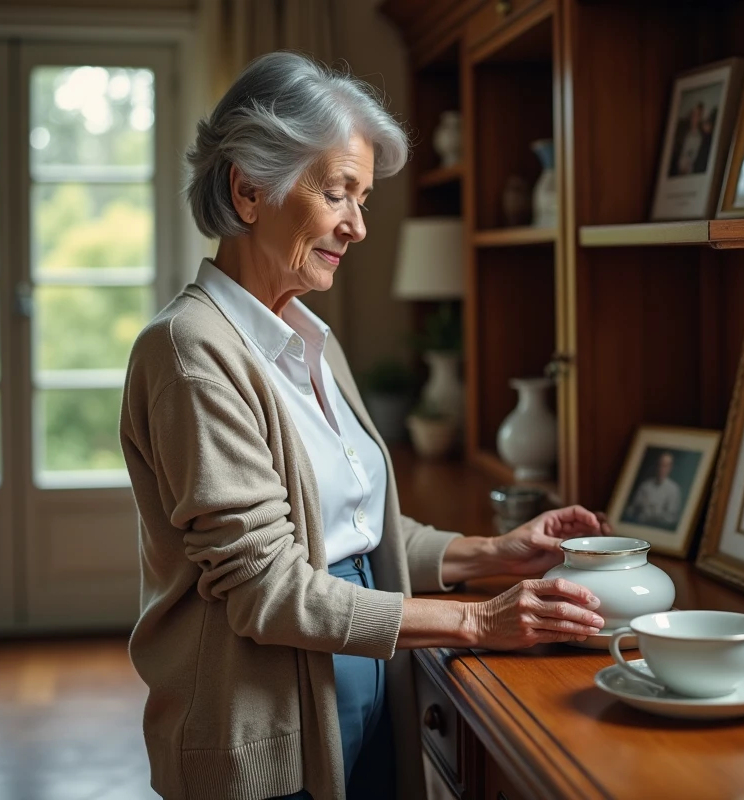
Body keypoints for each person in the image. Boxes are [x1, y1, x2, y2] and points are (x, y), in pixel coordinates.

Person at [119, 52, 609, 800]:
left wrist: (495, 552)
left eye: (364, 198)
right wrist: (477, 623)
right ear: (249, 189)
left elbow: (355, 532)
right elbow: (268, 591)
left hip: (369, 681)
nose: (357, 225)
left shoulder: (308, 338)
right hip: (267, 737)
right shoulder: (189, 352)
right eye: (338, 192)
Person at [624, 451, 684, 529]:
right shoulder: (645, 486)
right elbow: (631, 510)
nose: (661, 469)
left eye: (665, 466)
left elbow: (671, 518)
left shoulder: (674, 490)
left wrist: (654, 515)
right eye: (660, 465)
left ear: (670, 468)